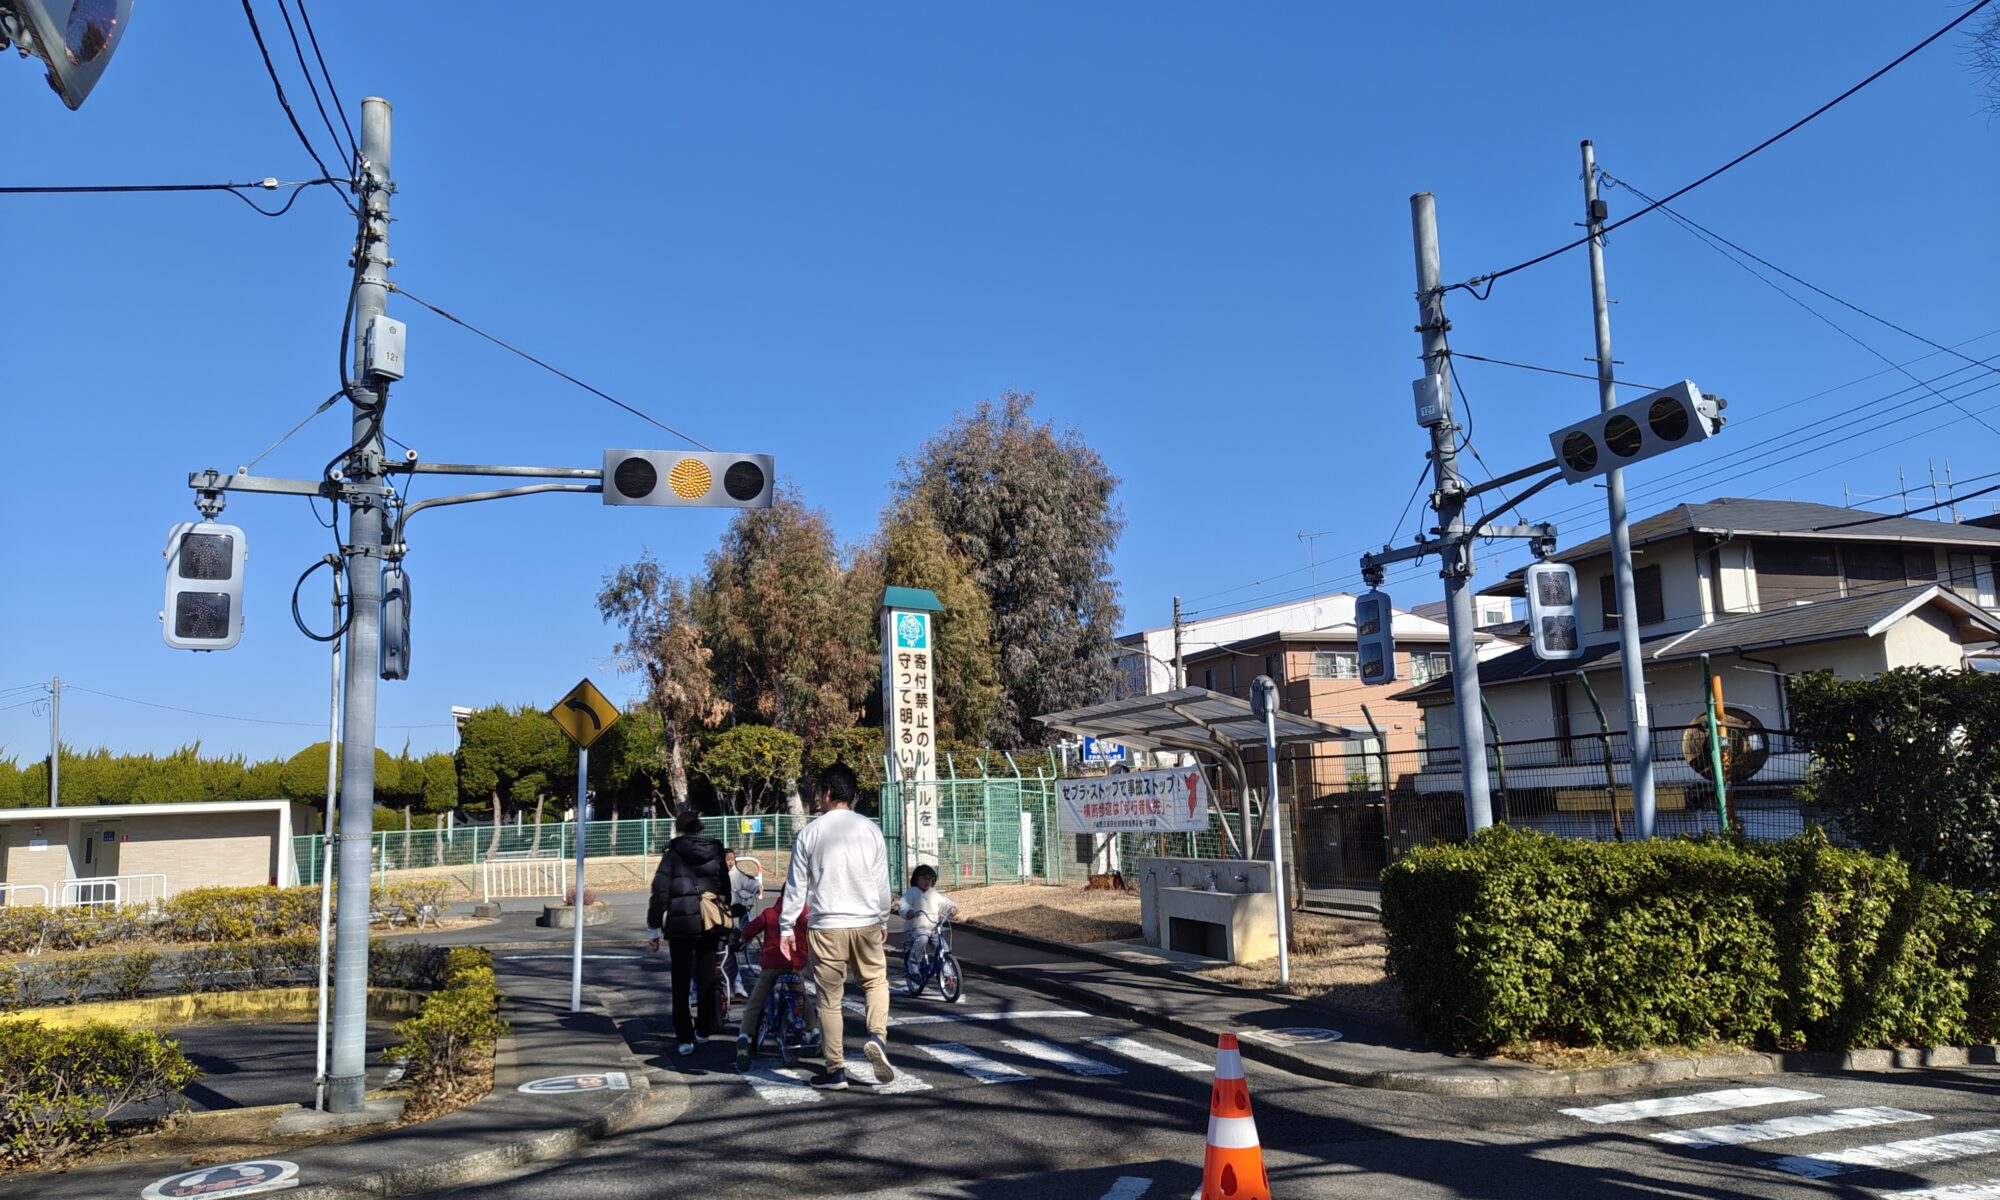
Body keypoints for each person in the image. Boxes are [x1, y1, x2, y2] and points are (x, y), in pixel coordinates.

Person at [779, 762, 894, 1090]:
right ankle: (877, 1038)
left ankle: (836, 1070)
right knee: (875, 982)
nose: (817, 798)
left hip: (827, 924)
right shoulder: (870, 829)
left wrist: (786, 928)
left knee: (830, 999)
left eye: (818, 792)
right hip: (867, 921)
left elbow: (796, 886)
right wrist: (883, 918)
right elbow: (881, 884)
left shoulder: (809, 833)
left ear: (828, 792)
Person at [647, 810, 730, 1055]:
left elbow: (660, 892)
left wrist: (653, 928)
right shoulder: (716, 852)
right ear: (700, 828)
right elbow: (725, 889)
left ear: (678, 828)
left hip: (680, 923)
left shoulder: (672, 855)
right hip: (709, 921)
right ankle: (704, 1029)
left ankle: (685, 1037)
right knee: (707, 976)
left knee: (680, 981)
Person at [733, 884, 817, 1070]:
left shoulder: (769, 913)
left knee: (755, 1002)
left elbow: (747, 932)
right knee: (801, 999)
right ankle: (814, 1030)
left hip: (771, 966)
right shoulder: (805, 915)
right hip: (794, 966)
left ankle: (744, 1038)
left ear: (780, 896)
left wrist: (742, 939)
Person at [894, 863, 957, 985]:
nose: (927, 881)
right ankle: (913, 967)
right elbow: (903, 904)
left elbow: (944, 902)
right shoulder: (912, 892)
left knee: (943, 948)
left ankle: (947, 974)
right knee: (922, 939)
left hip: (933, 927)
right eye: (924, 878)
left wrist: (952, 908)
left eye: (930, 879)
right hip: (916, 928)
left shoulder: (933, 893)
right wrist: (909, 912)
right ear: (917, 879)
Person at [722, 849, 763, 999]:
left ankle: (744, 937)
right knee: (726, 949)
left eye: (732, 859)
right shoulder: (718, 874)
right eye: (727, 859)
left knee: (744, 915)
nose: (731, 862)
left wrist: (756, 887)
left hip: (735, 909)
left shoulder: (736, 873)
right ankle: (732, 984)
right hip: (722, 912)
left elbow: (749, 882)